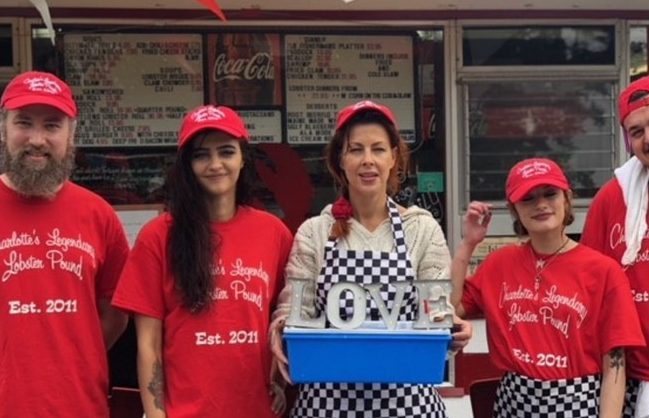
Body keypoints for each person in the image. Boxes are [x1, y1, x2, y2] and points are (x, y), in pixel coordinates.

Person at [270, 100, 472, 418]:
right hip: (328, 404)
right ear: (340, 159)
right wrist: (282, 329)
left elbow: (436, 310)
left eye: (378, 149)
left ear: (394, 157)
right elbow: (294, 310)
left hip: (409, 403)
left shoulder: (422, 228)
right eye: (356, 150)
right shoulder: (314, 232)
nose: (367, 161)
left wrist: (451, 329)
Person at [111, 104, 292, 418]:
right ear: (186, 165)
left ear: (242, 157)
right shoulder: (158, 236)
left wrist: (277, 380)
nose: (215, 164)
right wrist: (155, 414)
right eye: (201, 155)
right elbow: (149, 343)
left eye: (226, 151)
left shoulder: (274, 233)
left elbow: (283, 321)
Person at [451, 157, 645, 417]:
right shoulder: (499, 264)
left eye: (550, 194)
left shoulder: (604, 271)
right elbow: (450, 308)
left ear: (567, 199)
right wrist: (467, 244)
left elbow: (615, 365)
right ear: (514, 209)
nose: (540, 204)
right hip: (514, 402)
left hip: (577, 402)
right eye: (528, 198)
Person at [0, 71, 129, 417]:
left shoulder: (99, 215)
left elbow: (115, 313)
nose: (37, 139)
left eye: (52, 126)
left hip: (80, 406)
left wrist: (74, 354)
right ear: (4, 129)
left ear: (71, 135)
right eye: (24, 122)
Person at [581, 75, 649, 418]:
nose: (647, 139)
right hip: (627, 374)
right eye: (636, 131)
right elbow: (588, 284)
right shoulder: (612, 197)